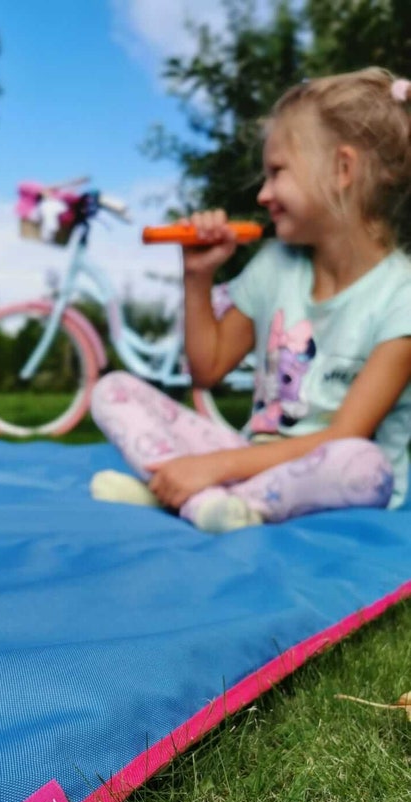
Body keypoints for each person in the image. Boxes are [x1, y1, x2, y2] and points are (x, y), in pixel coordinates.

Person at [90, 68, 411, 532]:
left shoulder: (402, 297)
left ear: (343, 169)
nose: (263, 195)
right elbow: (207, 370)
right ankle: (209, 502)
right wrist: (197, 276)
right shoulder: (275, 265)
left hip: (330, 477)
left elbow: (346, 433)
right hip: (248, 459)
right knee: (111, 389)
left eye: (277, 172)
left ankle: (194, 497)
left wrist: (213, 467)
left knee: (362, 463)